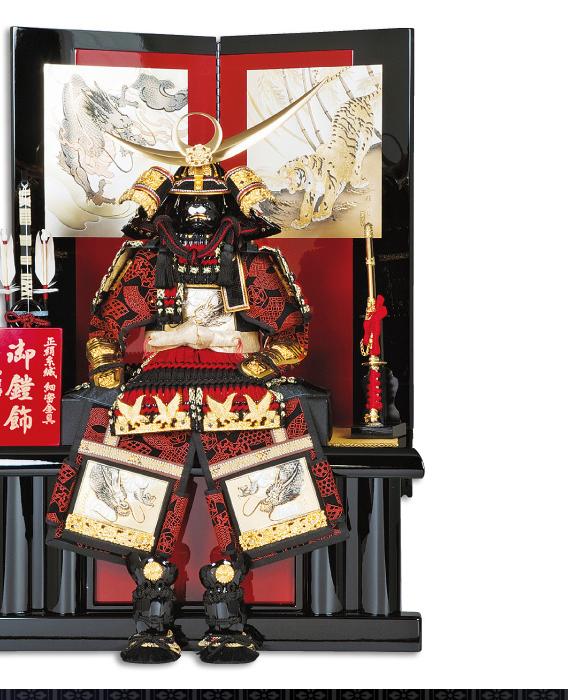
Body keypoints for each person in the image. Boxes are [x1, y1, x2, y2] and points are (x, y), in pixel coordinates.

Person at [46, 118, 347, 664]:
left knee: (256, 471)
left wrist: (264, 357)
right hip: (159, 380)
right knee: (133, 472)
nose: (200, 212)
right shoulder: (145, 261)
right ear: (170, 204)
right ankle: (151, 610)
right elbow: (105, 327)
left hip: (239, 380)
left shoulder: (253, 261)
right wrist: (113, 363)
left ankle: (227, 608)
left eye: (210, 199)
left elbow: (292, 331)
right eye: (188, 200)